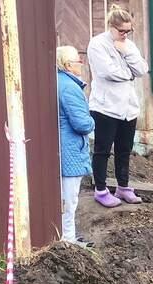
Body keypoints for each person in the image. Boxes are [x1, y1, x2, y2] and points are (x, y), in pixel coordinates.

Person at [87, 4, 149, 207]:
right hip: (105, 107)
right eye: (121, 31)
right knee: (102, 149)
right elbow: (108, 72)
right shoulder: (97, 45)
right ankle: (101, 190)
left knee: (124, 149)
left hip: (127, 108)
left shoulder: (127, 45)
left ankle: (123, 187)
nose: (125, 35)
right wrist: (129, 73)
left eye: (128, 31)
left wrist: (127, 54)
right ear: (111, 27)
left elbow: (142, 68)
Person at [57, 46, 95, 247]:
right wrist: (92, 122)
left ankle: (65, 236)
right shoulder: (70, 88)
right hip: (70, 149)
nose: (81, 63)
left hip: (62, 148)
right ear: (67, 65)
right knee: (69, 198)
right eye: (77, 61)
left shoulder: (59, 82)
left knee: (64, 196)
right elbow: (82, 124)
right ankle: (68, 239)